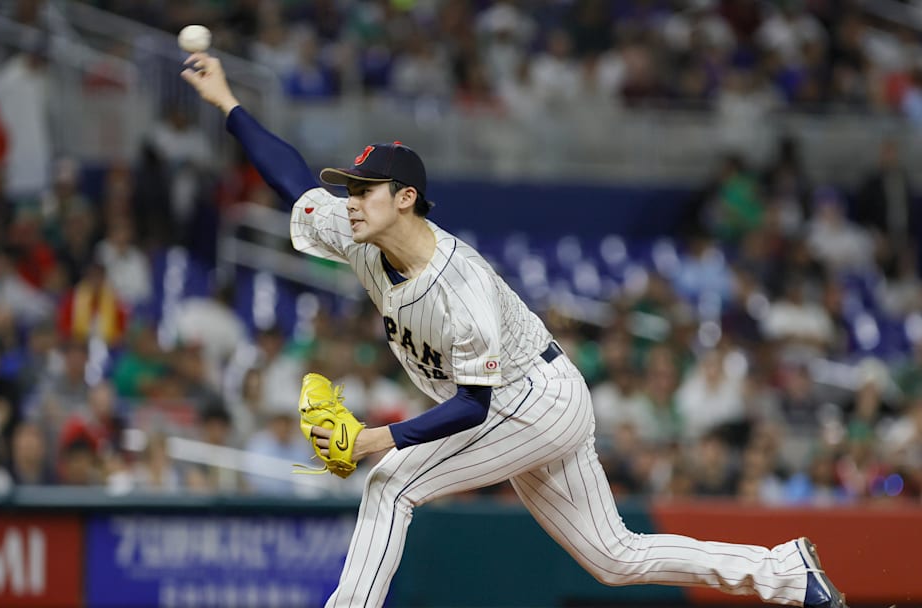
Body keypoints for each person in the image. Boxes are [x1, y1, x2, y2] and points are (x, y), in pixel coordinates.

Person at [180, 52, 847, 608]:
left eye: (364, 191)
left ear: (404, 198)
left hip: (532, 399)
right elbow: (291, 179)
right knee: (615, 558)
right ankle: (787, 573)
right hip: (524, 401)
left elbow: (475, 405)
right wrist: (228, 103)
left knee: (391, 483)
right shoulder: (357, 232)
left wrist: (377, 439)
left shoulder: (459, 285)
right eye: (350, 191)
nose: (349, 203)